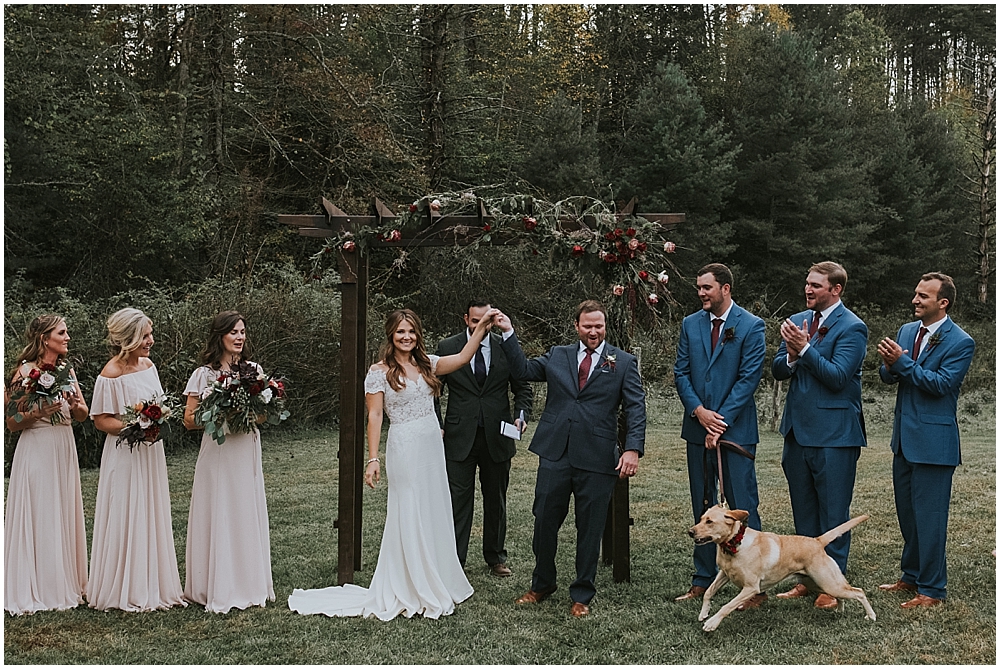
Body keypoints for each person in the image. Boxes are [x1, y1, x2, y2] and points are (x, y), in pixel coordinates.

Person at [288, 307, 498, 620]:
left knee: (432, 507)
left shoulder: (426, 364)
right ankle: (410, 583)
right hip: (405, 447)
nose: (407, 337)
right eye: (401, 331)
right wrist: (373, 458)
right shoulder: (378, 371)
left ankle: (436, 577)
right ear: (391, 334)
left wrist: (481, 327)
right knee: (410, 509)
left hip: (430, 446)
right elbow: (374, 415)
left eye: (411, 331)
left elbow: (463, 357)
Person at [494, 300, 646, 618]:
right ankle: (542, 584)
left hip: (598, 457)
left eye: (599, 326)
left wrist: (632, 449)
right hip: (555, 452)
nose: (593, 331)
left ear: (606, 327)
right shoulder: (557, 355)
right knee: (544, 521)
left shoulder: (623, 361)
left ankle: (582, 593)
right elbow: (522, 370)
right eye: (587, 326)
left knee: (590, 528)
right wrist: (508, 332)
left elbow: (635, 408)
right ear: (577, 326)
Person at [772, 261, 868, 611]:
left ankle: (834, 584)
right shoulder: (799, 320)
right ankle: (807, 578)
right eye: (807, 284)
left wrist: (807, 350)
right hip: (797, 432)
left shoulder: (853, 328)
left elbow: (839, 377)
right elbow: (778, 368)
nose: (808, 290)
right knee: (804, 511)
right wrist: (794, 356)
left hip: (834, 435)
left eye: (815, 285)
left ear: (836, 289)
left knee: (833, 513)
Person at [876, 272, 975, 608]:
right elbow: (890, 377)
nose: (915, 300)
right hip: (903, 440)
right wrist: (889, 365)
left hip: (935, 444)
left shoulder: (961, 342)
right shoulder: (907, 331)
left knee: (930, 518)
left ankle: (932, 590)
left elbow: (939, 385)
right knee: (908, 514)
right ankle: (911, 575)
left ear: (942, 302)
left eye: (923, 296)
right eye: (915, 294)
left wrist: (901, 363)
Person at [673, 264, 767, 608]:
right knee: (702, 506)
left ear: (725, 289)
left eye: (706, 288)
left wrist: (719, 422)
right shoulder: (690, 324)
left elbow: (748, 379)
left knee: (741, 508)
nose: (700, 293)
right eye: (698, 287)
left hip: (735, 433)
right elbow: (681, 371)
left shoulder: (752, 326)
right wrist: (699, 412)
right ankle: (702, 580)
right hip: (697, 429)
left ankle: (753, 586)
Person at [88, 308, 186, 612]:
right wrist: (136, 427)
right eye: (145, 335)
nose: (151, 340)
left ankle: (153, 584)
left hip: (150, 451)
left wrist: (155, 424)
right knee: (127, 510)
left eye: (150, 333)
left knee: (151, 509)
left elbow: (158, 405)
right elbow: (101, 420)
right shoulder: (111, 374)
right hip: (126, 453)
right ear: (129, 337)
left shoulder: (148, 365)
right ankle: (125, 586)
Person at [182, 311, 275, 613]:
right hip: (218, 450)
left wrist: (246, 413)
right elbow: (189, 420)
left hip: (245, 446)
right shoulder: (203, 374)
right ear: (220, 336)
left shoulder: (254, 370)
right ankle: (214, 584)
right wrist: (220, 414)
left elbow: (262, 415)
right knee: (220, 508)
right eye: (233, 332)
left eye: (243, 332)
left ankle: (248, 582)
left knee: (245, 508)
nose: (239, 337)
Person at [435, 300, 533, 577]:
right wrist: (437, 423)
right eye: (476, 321)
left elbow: (522, 386)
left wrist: (521, 415)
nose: (481, 326)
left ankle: (496, 557)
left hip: (498, 435)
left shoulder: (505, 345)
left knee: (496, 499)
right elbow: (433, 389)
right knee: (457, 500)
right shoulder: (447, 347)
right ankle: (455, 560)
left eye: (486, 321)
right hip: (458, 436)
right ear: (466, 319)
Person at [4, 315, 90, 615]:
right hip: (37, 446)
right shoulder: (24, 373)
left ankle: (67, 580)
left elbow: (82, 414)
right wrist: (40, 411)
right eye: (62, 332)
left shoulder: (68, 370)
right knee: (43, 510)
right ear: (44, 338)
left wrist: (77, 406)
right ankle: (42, 586)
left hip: (63, 445)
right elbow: (12, 423)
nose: (67, 337)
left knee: (63, 510)